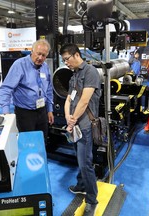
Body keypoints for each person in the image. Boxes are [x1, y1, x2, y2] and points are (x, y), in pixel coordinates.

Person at [60, 43, 100, 216]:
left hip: (85, 125)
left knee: (85, 163)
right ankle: (82, 185)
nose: (66, 63)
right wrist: (68, 116)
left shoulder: (90, 72)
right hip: (74, 124)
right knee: (79, 158)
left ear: (76, 55)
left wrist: (73, 120)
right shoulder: (73, 75)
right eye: (63, 60)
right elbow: (68, 99)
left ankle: (92, 200)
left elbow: (84, 101)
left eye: (67, 59)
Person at [0, 39, 54, 142]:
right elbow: (6, 88)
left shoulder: (45, 67)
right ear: (32, 51)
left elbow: (49, 88)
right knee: (27, 143)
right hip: (25, 113)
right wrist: (6, 112)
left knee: (41, 141)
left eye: (44, 55)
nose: (40, 58)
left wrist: (50, 109)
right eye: (38, 54)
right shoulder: (19, 65)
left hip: (42, 111)